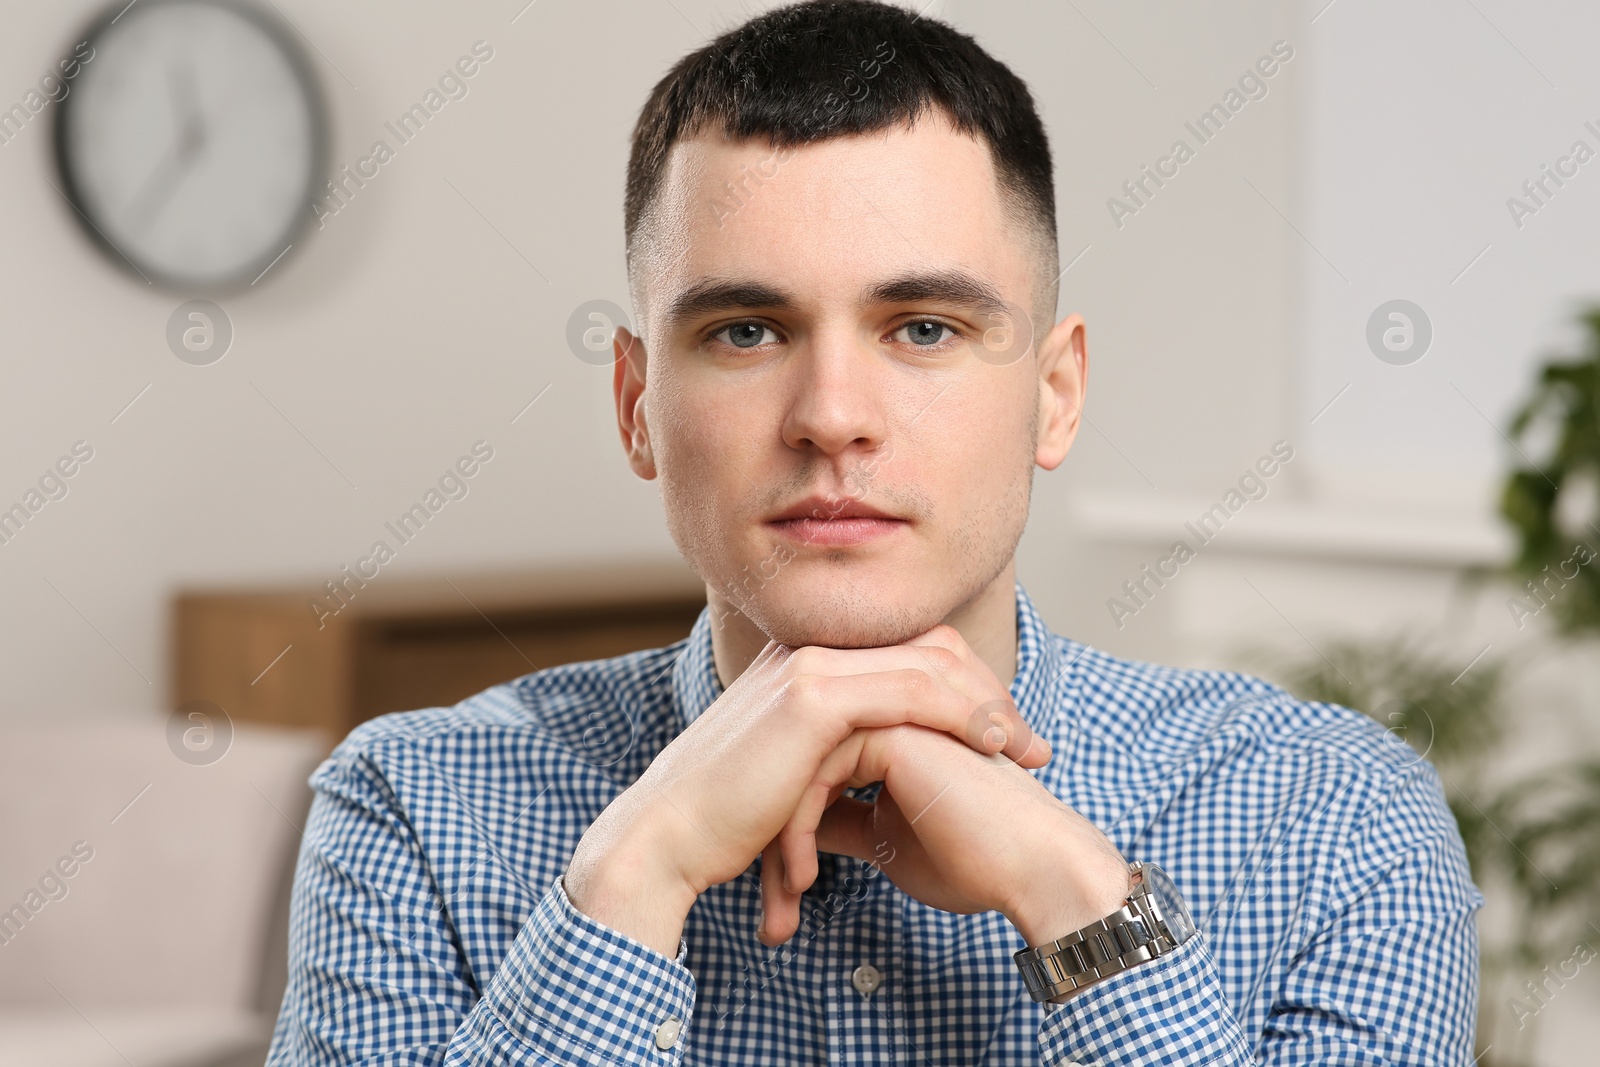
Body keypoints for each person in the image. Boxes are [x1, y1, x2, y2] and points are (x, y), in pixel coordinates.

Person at [265, 2, 1483, 1063]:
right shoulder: (414, 808)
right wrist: (634, 877)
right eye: (746, 330)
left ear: (1054, 395)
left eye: (924, 329)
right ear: (639, 406)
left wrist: (1073, 894)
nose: (832, 418)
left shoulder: (1332, 816)